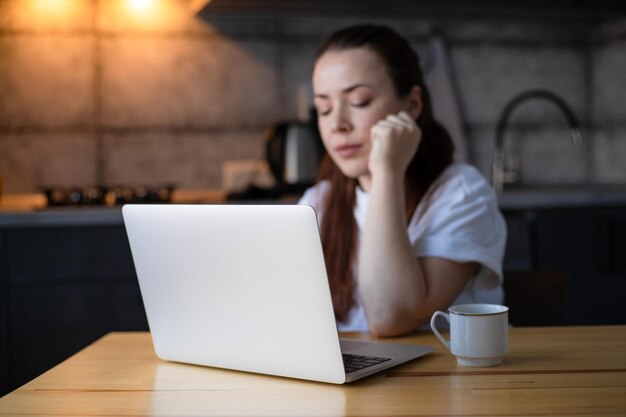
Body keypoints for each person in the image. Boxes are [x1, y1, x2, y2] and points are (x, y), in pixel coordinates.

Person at [298, 24, 507, 337]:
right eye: (324, 108)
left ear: (411, 105)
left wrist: (386, 172)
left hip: (442, 380)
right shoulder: (317, 202)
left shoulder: (462, 194)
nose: (337, 124)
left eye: (359, 101)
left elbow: (390, 316)